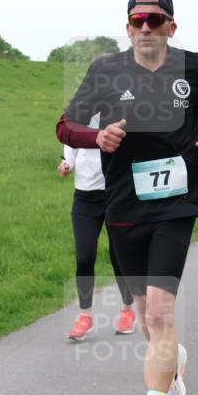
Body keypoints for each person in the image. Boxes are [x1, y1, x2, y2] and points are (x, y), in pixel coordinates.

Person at [56, 0, 198, 395]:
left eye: (156, 20)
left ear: (171, 27)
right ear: (128, 27)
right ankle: (174, 364)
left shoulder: (193, 67)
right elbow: (66, 125)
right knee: (147, 317)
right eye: (138, 20)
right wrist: (96, 136)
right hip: (123, 206)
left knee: (157, 313)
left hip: (178, 201)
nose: (146, 27)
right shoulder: (106, 70)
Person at [59, 120, 136, 341]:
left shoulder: (119, 110)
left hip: (116, 195)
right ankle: (85, 315)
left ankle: (127, 310)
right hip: (85, 197)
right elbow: (71, 140)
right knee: (84, 256)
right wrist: (67, 163)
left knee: (118, 256)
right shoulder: (79, 111)